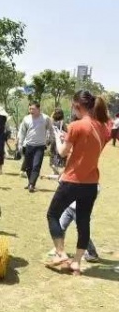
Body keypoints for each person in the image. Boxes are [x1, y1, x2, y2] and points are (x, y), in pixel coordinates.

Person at [46, 90, 111, 275]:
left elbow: (62, 153)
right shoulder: (103, 127)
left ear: (77, 106)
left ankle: (60, 253)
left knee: (52, 215)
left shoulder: (76, 126)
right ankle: (76, 262)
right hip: (91, 183)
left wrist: (60, 140)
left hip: (72, 180)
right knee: (83, 222)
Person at [17, 102, 54, 192]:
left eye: (33, 109)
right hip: (28, 145)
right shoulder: (26, 119)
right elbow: (22, 132)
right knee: (28, 167)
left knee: (36, 165)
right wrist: (20, 144)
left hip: (40, 146)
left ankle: (31, 184)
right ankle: (30, 182)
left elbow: (51, 129)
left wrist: (50, 139)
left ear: (38, 109)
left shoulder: (45, 118)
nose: (31, 111)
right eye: (30, 109)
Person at [49, 108, 68, 177]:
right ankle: (59, 168)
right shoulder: (62, 123)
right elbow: (66, 131)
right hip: (60, 141)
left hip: (53, 140)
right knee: (60, 155)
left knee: (52, 154)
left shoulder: (51, 122)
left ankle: (54, 167)